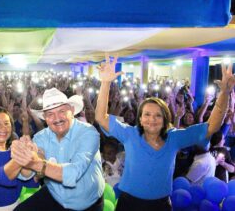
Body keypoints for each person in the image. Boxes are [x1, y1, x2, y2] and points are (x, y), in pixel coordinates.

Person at [95, 54, 235, 211]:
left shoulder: (174, 138)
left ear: (165, 118)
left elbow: (211, 126)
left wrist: (225, 93)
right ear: (140, 119)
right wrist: (105, 83)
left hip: (160, 205)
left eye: (158, 115)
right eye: (147, 114)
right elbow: (101, 117)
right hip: (129, 204)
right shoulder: (130, 134)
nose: (152, 119)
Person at [12, 88, 105, 211]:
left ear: (71, 111)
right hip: (56, 195)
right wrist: (25, 154)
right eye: (50, 114)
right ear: (44, 117)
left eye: (61, 111)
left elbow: (73, 173)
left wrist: (35, 162)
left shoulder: (88, 133)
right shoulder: (41, 137)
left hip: (87, 203)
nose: (57, 118)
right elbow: (26, 174)